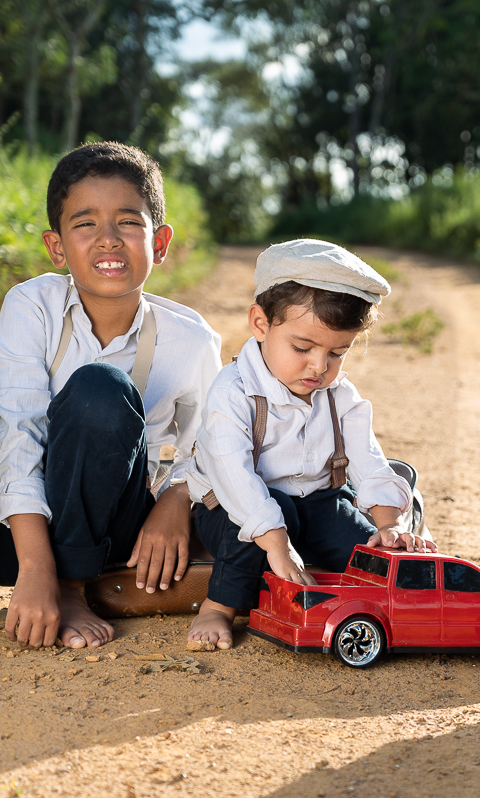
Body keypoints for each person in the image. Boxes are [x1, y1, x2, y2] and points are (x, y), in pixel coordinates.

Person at [0, 142, 221, 650]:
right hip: (8, 531)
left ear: (161, 242)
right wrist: (35, 568)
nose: (108, 240)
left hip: (108, 537)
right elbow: (16, 428)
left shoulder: (191, 340)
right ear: (57, 246)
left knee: (99, 391)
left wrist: (175, 496)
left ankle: (73, 588)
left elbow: (215, 444)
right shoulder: (31, 306)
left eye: (129, 222)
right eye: (85, 224)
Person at [183, 239, 433, 651]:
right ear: (260, 324)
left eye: (337, 353)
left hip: (317, 500)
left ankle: (394, 593)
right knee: (250, 539)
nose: (319, 367)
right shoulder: (234, 391)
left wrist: (387, 525)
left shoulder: (340, 395)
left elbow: (368, 460)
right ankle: (217, 606)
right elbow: (233, 474)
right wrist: (277, 543)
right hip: (234, 503)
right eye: (302, 348)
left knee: (364, 550)